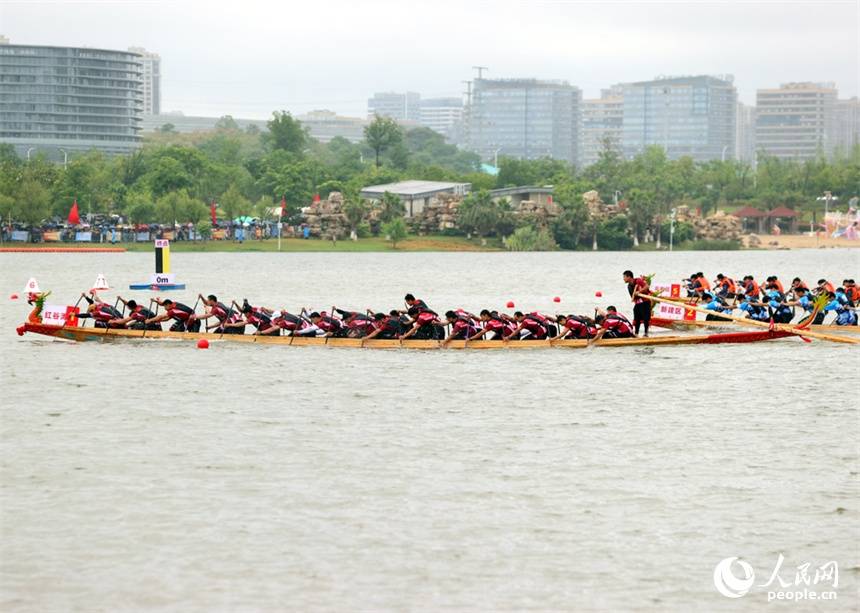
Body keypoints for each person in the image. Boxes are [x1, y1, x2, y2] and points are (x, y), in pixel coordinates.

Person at [623, 270, 651, 336]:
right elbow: (633, 298)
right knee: (636, 319)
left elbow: (647, 286)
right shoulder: (629, 286)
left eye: (624, 277)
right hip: (638, 303)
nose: (623, 279)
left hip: (645, 302)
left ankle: (646, 333)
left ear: (629, 277)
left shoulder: (638, 281)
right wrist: (635, 295)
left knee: (645, 318)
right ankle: (636, 333)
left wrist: (640, 291)